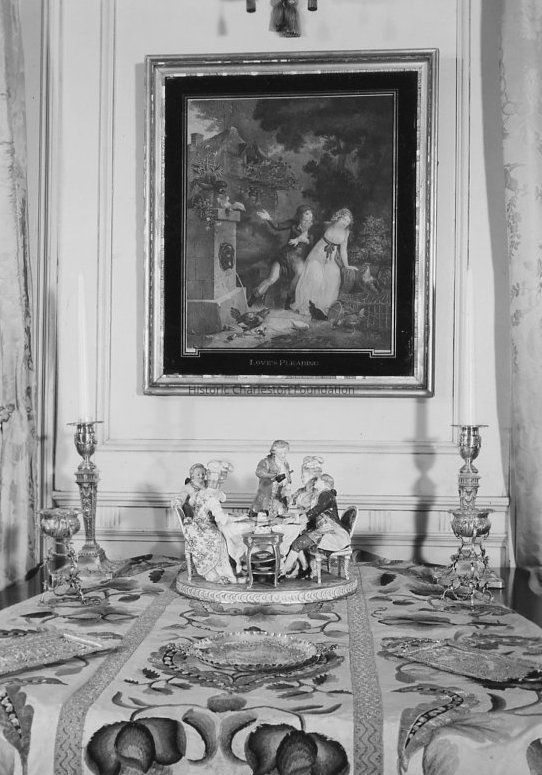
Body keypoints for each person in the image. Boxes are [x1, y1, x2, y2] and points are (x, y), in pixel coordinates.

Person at [185, 461, 245, 584]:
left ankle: (231, 568)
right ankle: (215, 571)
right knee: (219, 537)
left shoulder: (203, 492)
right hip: (201, 526)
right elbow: (221, 518)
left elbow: (193, 503)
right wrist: (238, 518)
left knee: (221, 534)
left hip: (200, 523)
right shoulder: (211, 497)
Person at [281, 474, 350, 579]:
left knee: (298, 543)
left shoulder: (326, 494)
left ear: (324, 483)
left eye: (318, 481)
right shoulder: (323, 494)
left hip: (332, 533)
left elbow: (314, 512)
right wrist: (297, 519)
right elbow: (314, 514)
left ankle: (283, 572)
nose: (315, 482)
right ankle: (304, 567)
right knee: (297, 538)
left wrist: (295, 520)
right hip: (324, 530)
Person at [248, 205, 315, 309]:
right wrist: (268, 218)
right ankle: (253, 297)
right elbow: (278, 226)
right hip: (284, 256)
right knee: (271, 279)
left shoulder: (312, 228)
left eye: (310, 213)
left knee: (300, 273)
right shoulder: (293, 223)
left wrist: (299, 240)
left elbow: (310, 242)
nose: (310, 215)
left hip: (297, 258)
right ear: (300, 215)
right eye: (306, 213)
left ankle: (288, 301)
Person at [293, 208, 356, 318]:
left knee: (334, 276)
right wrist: (300, 238)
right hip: (317, 255)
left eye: (347, 221)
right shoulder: (328, 225)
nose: (345, 223)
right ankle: (306, 306)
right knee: (315, 277)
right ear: (338, 217)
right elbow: (310, 231)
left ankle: (323, 308)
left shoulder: (346, 233)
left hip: (330, 259)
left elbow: (343, 251)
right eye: (344, 219)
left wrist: (346, 265)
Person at [251, 440, 292, 517]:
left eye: (285, 453)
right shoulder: (266, 462)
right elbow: (259, 472)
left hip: (280, 494)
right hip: (267, 493)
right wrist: (273, 476)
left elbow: (288, 475)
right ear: (274, 452)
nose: (283, 455)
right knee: (263, 514)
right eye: (280, 453)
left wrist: (288, 483)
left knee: (280, 514)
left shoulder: (285, 463)